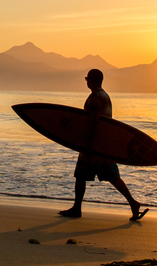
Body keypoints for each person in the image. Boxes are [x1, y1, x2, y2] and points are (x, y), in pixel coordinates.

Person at [57, 69, 147, 221]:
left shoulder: (94, 98)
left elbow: (94, 122)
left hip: (95, 145)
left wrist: (89, 146)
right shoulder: (105, 95)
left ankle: (77, 208)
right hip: (105, 146)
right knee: (113, 177)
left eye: (87, 79)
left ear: (91, 80)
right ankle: (133, 203)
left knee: (80, 175)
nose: (86, 82)